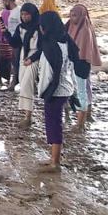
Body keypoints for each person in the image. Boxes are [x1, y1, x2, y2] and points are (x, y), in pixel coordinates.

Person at [26, 11, 79, 173]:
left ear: (44, 27)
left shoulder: (49, 46)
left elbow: (47, 74)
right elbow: (71, 67)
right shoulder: (66, 41)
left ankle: (55, 162)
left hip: (54, 90)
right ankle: (54, 158)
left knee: (54, 124)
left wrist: (42, 91)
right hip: (66, 87)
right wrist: (74, 90)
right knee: (56, 122)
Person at [66, 3, 102, 132]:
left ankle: (80, 123)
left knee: (81, 90)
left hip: (81, 62)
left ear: (81, 16)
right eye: (71, 15)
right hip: (73, 61)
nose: (72, 17)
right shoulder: (70, 26)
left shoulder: (84, 30)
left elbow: (83, 50)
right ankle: (86, 115)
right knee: (83, 88)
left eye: (75, 15)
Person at [10, 3, 42, 128]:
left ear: (33, 14)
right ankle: (26, 114)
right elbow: (15, 43)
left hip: (34, 57)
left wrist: (32, 59)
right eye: (22, 14)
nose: (24, 17)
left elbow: (43, 47)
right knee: (23, 83)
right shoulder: (20, 27)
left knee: (26, 85)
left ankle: (28, 117)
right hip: (23, 57)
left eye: (27, 14)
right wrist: (6, 33)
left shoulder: (40, 28)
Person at [0, 0, 19, 88]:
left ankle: (13, 82)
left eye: (3, 2)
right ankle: (12, 82)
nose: (3, 4)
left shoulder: (18, 12)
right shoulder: (11, 12)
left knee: (15, 62)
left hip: (15, 42)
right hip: (10, 40)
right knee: (13, 61)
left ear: (7, 1)